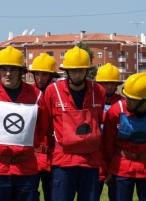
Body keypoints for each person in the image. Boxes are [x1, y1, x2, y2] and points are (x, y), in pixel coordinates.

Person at [0, 46, 48, 201]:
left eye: (13, 69)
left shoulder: (37, 96)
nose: (8, 74)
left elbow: (41, 130)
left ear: (21, 72)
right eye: (4, 69)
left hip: (26, 169)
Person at [43, 46, 105, 201]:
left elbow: (100, 123)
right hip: (63, 162)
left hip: (90, 163)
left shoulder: (98, 91)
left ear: (87, 71)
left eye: (81, 70)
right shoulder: (52, 91)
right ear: (66, 71)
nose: (77, 74)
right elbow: (46, 126)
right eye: (73, 70)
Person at [102, 72, 146, 201]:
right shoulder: (115, 111)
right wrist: (108, 168)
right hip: (121, 166)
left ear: (144, 100)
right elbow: (107, 144)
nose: (126, 100)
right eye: (126, 96)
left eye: (131, 98)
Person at [29, 53, 60, 201]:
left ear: (51, 75)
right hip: (31, 156)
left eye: (44, 74)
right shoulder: (27, 94)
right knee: (29, 195)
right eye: (37, 74)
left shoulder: (59, 94)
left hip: (53, 155)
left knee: (53, 195)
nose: (40, 78)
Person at [95, 63, 124, 199]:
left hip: (116, 158)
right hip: (95, 158)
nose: (109, 86)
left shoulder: (123, 103)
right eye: (105, 83)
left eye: (112, 83)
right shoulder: (92, 101)